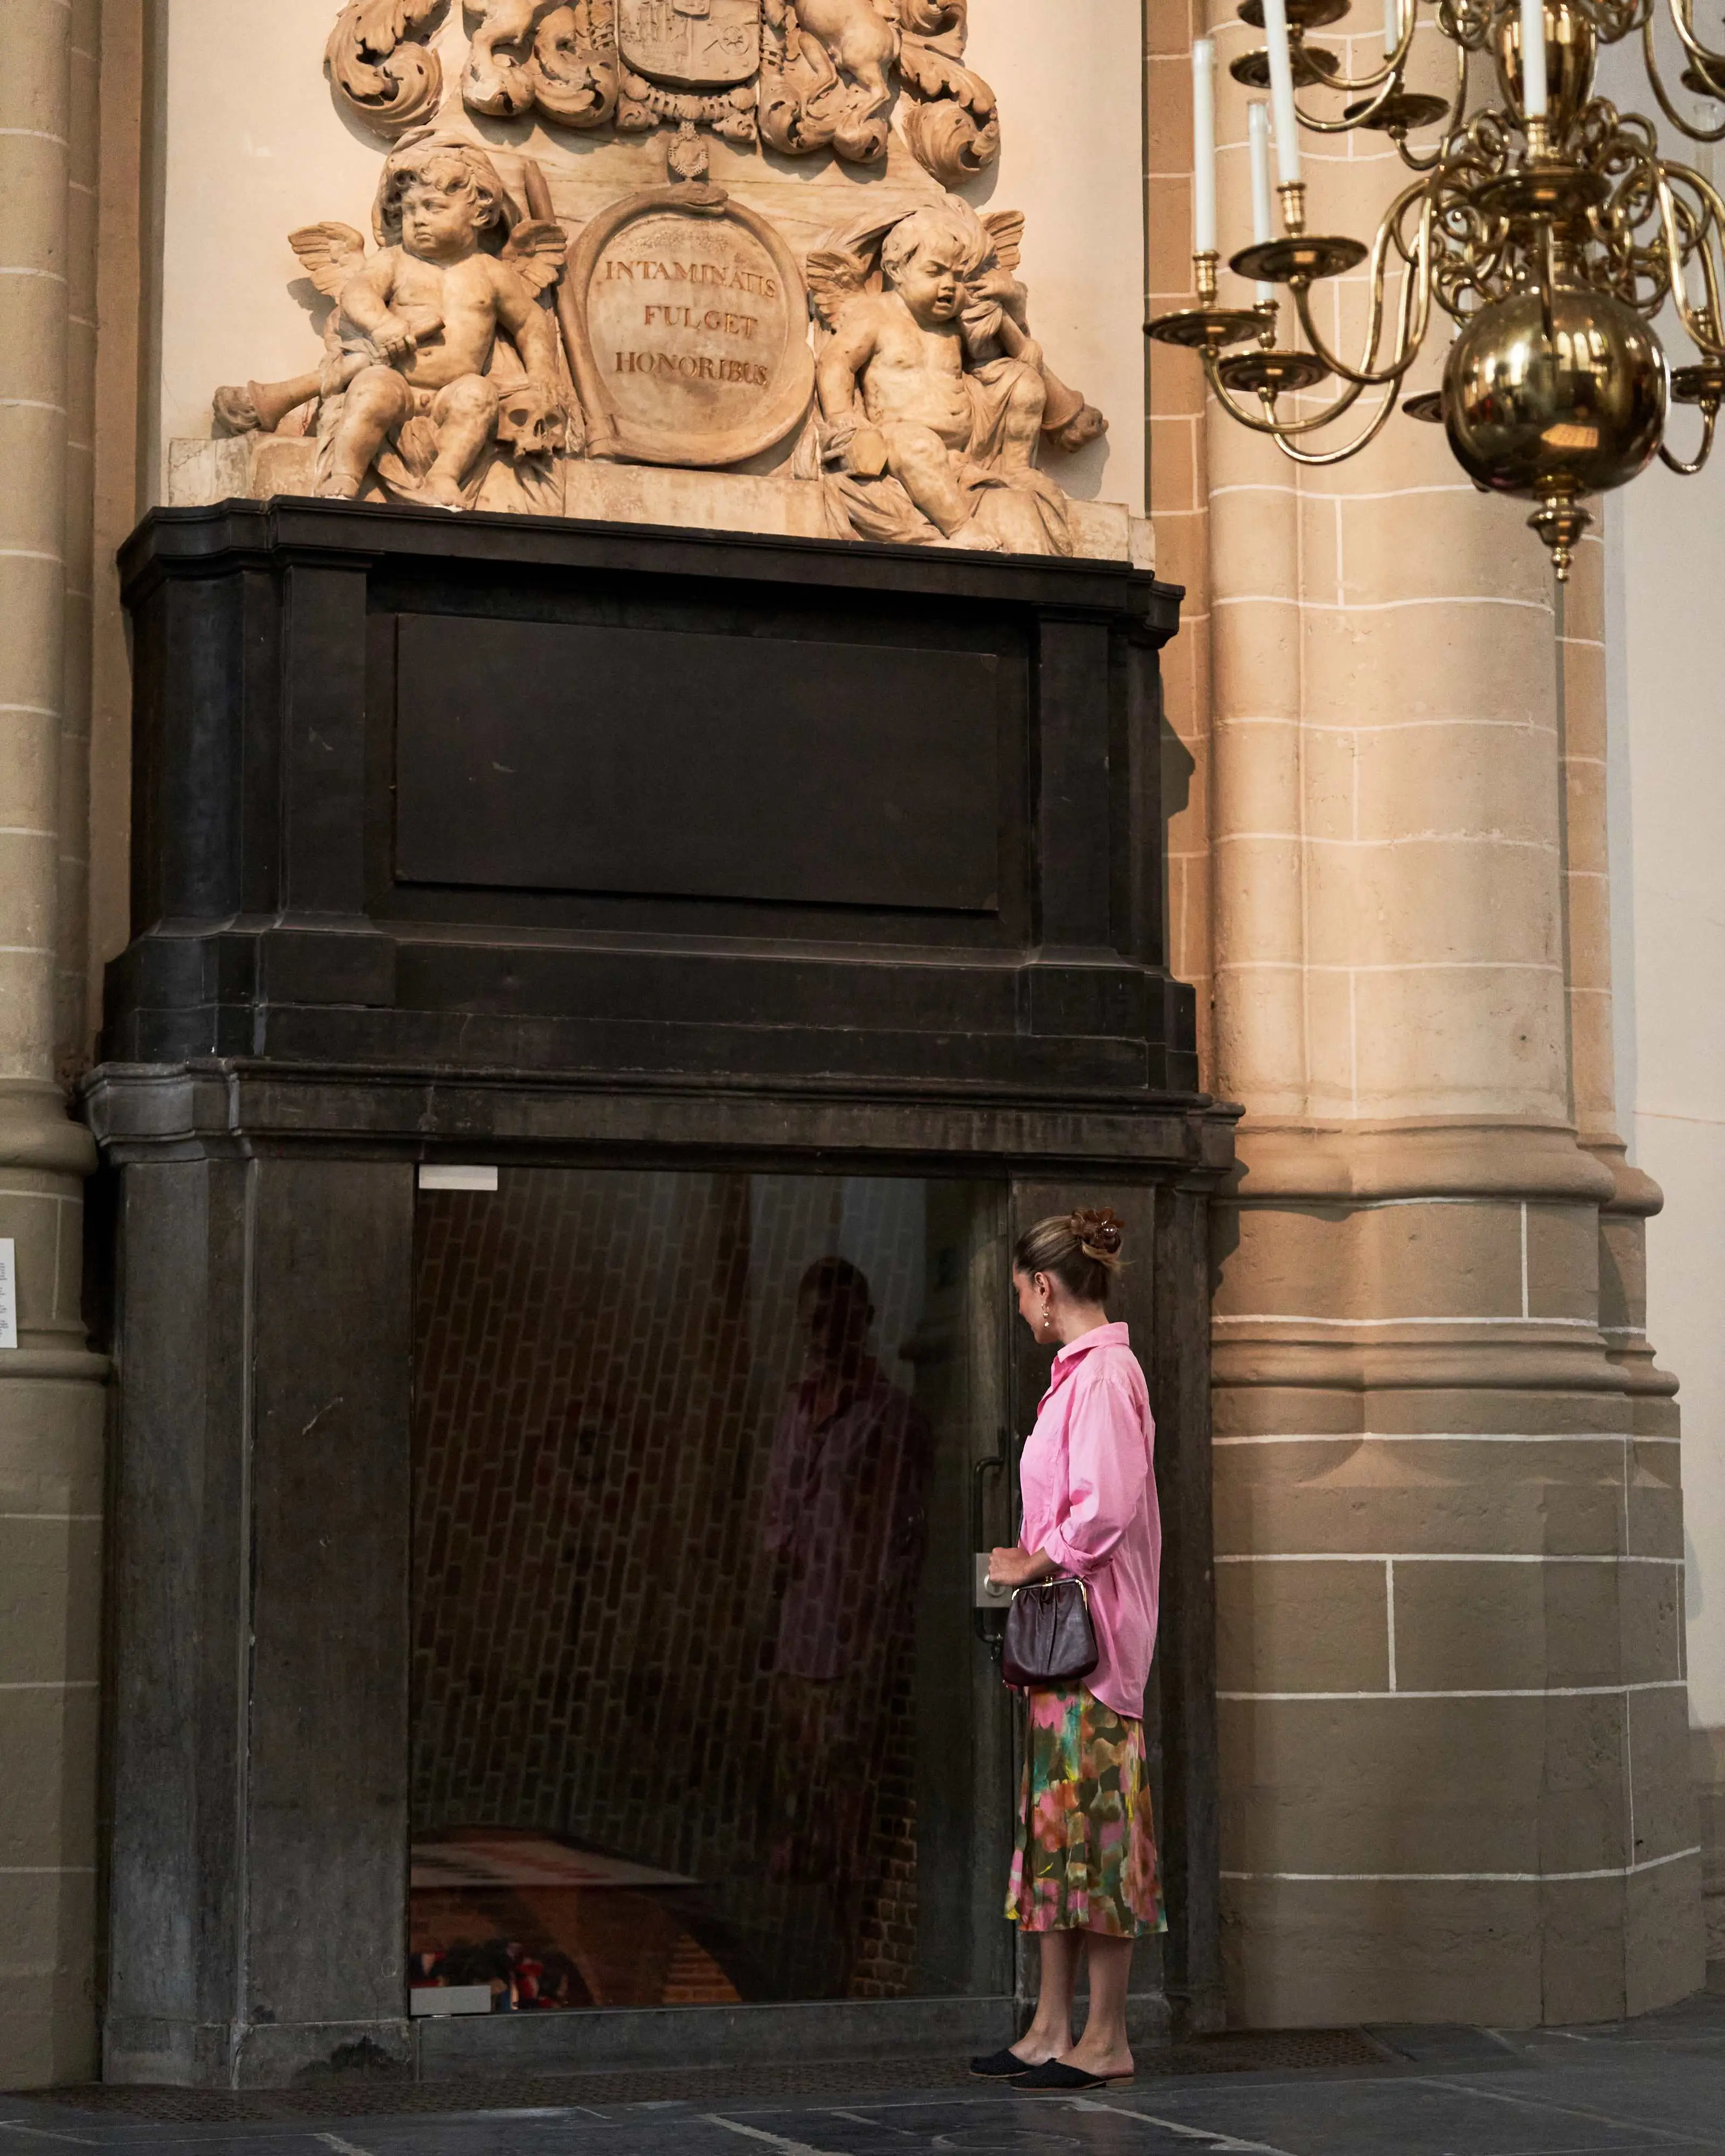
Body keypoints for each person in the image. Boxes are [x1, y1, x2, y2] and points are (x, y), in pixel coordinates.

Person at [971, 1207, 1164, 2091]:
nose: (1020, 1310)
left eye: (1019, 1294)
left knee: (1097, 1833)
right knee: (1056, 1833)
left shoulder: (1104, 1377)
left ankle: (1107, 2037)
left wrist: (1030, 1559)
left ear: (1044, 1288)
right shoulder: (1076, 1377)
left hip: (1096, 1649)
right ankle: (1050, 2027)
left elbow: (1105, 1507)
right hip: (1062, 1646)